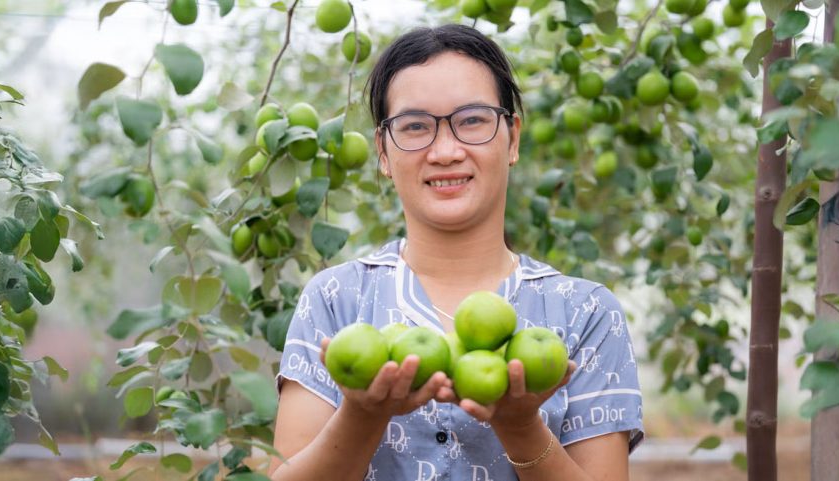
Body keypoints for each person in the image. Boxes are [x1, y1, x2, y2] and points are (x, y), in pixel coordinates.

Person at [270, 24, 643, 481]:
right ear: (383, 152)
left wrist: (521, 427)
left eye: (472, 120)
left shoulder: (585, 313)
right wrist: (362, 415)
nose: (445, 151)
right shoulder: (336, 300)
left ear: (512, 138)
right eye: (415, 126)